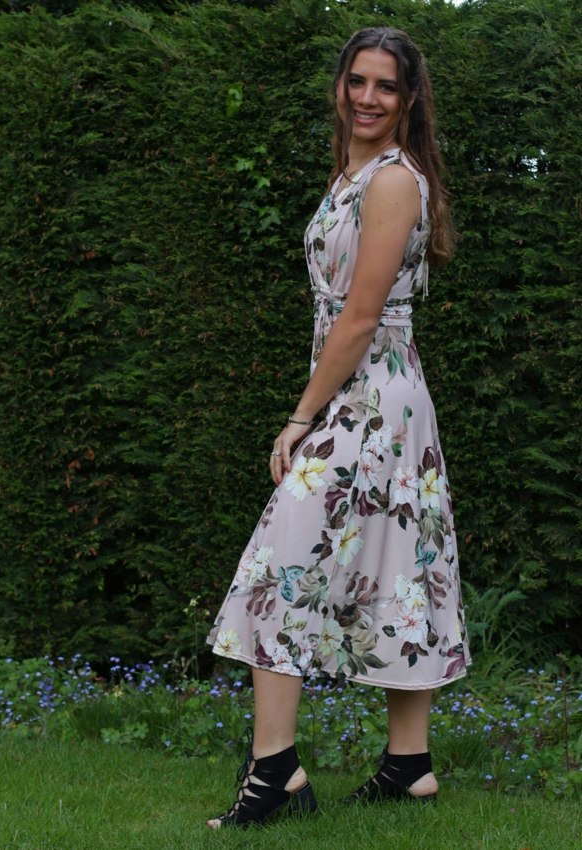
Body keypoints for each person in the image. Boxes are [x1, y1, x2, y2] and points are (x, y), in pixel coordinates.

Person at [206, 25, 471, 828]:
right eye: (357, 80)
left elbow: (359, 319)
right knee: (403, 563)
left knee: (278, 562)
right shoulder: (356, 172)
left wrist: (299, 417)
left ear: (410, 99)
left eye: (386, 86)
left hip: (374, 395)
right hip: (382, 396)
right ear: (339, 86)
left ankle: (274, 771)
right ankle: (409, 766)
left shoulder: (392, 182)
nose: (367, 97)